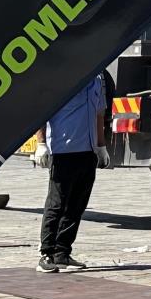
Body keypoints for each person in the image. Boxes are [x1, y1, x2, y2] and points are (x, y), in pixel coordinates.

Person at [37, 71, 108, 272]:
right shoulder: (61, 77)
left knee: (77, 205)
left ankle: (62, 252)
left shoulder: (97, 79)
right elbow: (42, 112)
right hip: (63, 151)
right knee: (57, 204)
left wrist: (101, 146)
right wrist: (40, 143)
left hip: (88, 151)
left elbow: (99, 114)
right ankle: (46, 253)